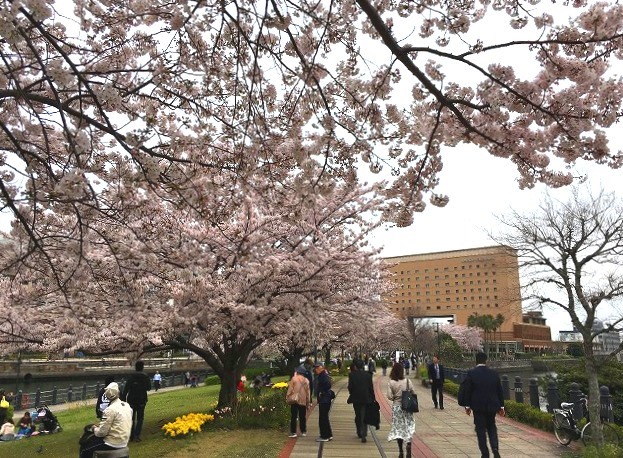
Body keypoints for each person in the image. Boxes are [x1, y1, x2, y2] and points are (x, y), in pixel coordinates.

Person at [462, 352, 505, 458]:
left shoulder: (471, 373)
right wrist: (501, 406)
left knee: (480, 429)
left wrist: (467, 406)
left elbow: (467, 390)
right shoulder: (493, 373)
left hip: (478, 407)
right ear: (486, 360)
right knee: (492, 426)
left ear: (476, 360)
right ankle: (495, 448)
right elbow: (499, 390)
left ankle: (484, 453)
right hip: (492, 406)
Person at [80, 382, 132, 458]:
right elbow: (118, 422)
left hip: (112, 443)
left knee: (84, 450)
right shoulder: (126, 406)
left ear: (107, 396)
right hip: (124, 441)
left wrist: (94, 428)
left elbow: (102, 433)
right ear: (118, 392)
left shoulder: (109, 410)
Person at [387, 362, 415, 458]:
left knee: (398, 429)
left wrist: (396, 396)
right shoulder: (407, 381)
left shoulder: (391, 382)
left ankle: (400, 451)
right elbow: (413, 392)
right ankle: (409, 444)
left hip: (397, 407)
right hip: (407, 407)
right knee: (408, 426)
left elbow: (389, 396)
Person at [122, 360, 151, 442]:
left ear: (136, 367)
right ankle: (137, 435)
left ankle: (130, 435)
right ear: (142, 367)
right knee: (140, 418)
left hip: (131, 399)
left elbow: (126, 389)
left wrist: (123, 399)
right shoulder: (145, 377)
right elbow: (149, 388)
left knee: (131, 418)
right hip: (142, 399)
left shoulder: (131, 377)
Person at [347, 358, 375, 443]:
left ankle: (359, 431)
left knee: (358, 414)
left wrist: (352, 393)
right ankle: (364, 433)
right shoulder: (368, 375)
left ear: (355, 366)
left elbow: (350, 387)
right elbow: (371, 388)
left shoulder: (352, 375)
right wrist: (373, 397)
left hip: (356, 398)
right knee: (364, 415)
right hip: (366, 398)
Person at [287, 366, 311, 438]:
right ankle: (303, 431)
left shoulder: (294, 379)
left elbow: (290, 389)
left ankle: (293, 432)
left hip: (295, 400)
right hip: (303, 400)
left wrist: (288, 397)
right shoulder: (306, 380)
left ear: (297, 372)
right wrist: (308, 402)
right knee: (302, 416)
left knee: (294, 416)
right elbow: (308, 392)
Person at [313, 362, 333, 442]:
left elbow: (328, 385)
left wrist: (322, 392)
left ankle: (325, 436)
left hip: (325, 399)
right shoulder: (323, 375)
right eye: (315, 368)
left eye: (317, 368)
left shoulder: (323, 376)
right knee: (324, 417)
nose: (316, 369)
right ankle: (328, 434)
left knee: (323, 418)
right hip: (324, 399)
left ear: (321, 367)